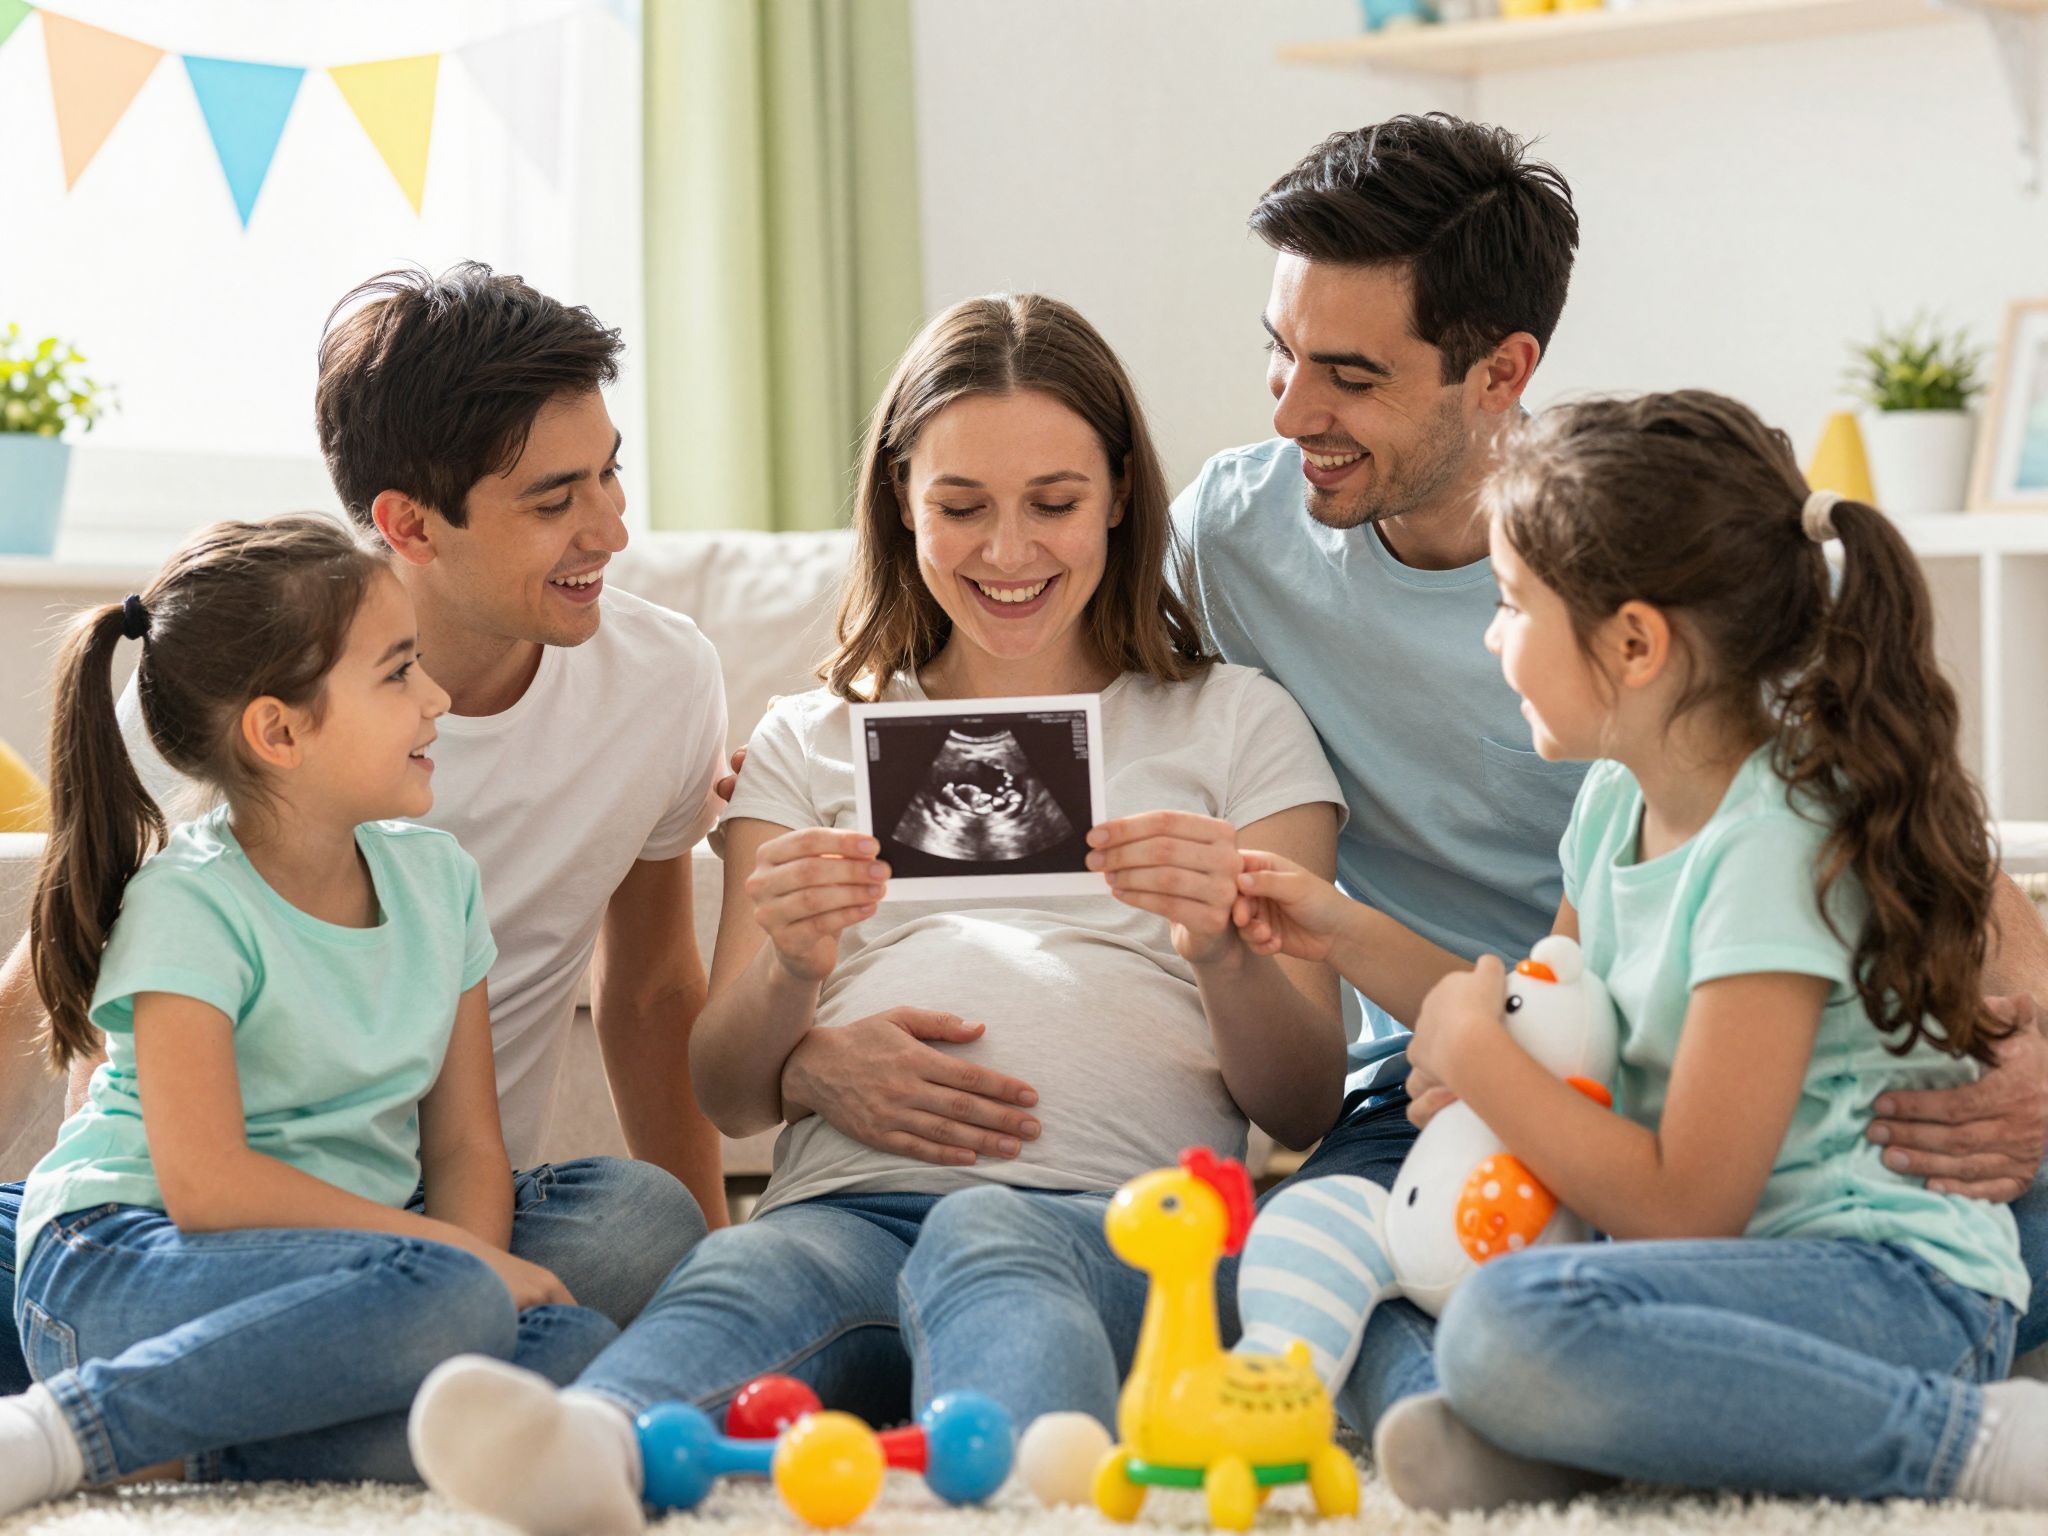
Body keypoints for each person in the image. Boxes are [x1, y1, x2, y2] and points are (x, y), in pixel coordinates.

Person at [401, 292, 1348, 1536]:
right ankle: (577, 1452)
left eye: (1052, 503)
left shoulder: (1237, 724)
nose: (1006, 550)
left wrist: (1221, 950)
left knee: (986, 1242)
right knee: (740, 1268)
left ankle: (1008, 1501)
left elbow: (1302, 1101)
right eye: (960, 507)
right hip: (841, 1209)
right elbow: (729, 1089)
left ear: (1120, 493)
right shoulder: (811, 739)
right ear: (901, 503)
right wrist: (794, 993)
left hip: (1112, 1226)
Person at [1173, 114, 2048, 1424]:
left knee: (1946, 1195)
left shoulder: (1667, 564)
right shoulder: (1232, 538)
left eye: (1348, 375)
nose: (1295, 409)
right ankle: (1541, 1412)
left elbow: (1914, 832)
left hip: (1763, 1087)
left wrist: (2037, 1045)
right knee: (1337, 1276)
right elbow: (1045, 652)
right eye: (1278, 353)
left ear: (1500, 372)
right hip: (1473, 1064)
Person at [1234, 392, 2048, 1512]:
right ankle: (1515, 1434)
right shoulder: (1613, 803)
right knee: (1386, 1258)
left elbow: (1685, 1205)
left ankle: (1962, 1441)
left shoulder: (1771, 843)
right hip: (1710, 1278)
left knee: (1513, 1321)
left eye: (1509, 605)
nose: (1489, 635)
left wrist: (1478, 1068)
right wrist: (1335, 928)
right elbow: (1538, 1017)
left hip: (1881, 1286)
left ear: (1632, 643)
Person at [0, 264, 725, 1395]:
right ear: (407, 524)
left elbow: (648, 991)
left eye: (610, 472)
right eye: (554, 500)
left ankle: (220, 1412)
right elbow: (71, 959)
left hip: (427, 1202)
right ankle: (130, 1382)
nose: (612, 528)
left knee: (636, 1229)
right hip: (188, 1216)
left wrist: (711, 1282)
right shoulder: (243, 691)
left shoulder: (662, 683)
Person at [0, 517, 621, 1519]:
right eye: (398, 673)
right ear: (279, 732)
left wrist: (469, 1268)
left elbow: (465, 1144)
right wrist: (459, 1273)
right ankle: (68, 1429)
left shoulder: (437, 883)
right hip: (122, 1259)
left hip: (335, 1258)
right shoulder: (188, 902)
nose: (438, 698)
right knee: (461, 1302)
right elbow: (207, 1187)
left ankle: (189, 1454)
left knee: (582, 1320)